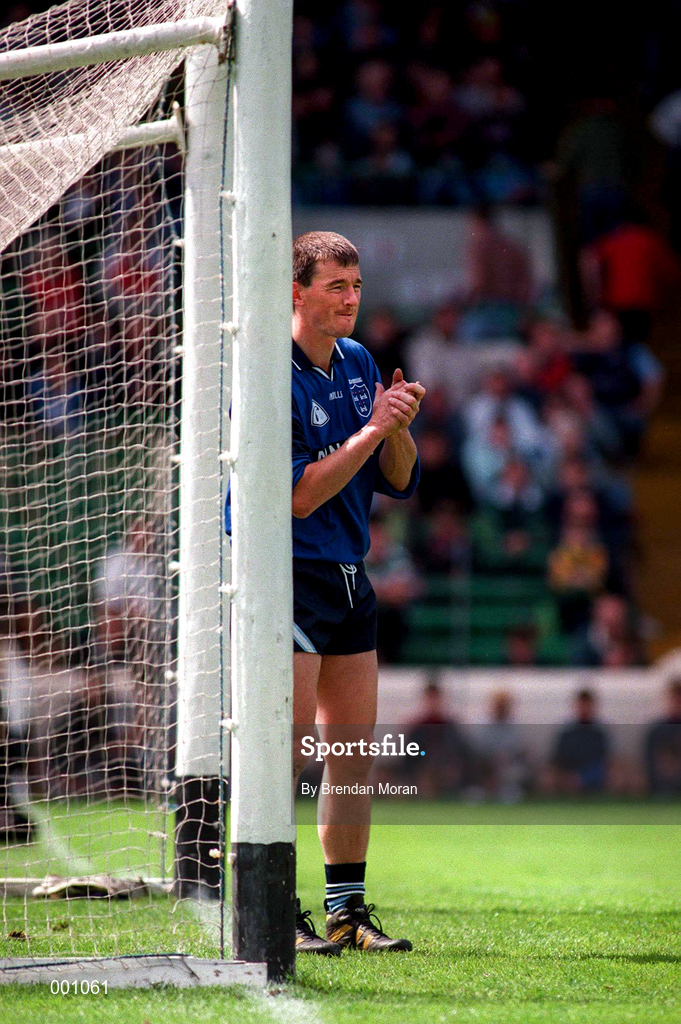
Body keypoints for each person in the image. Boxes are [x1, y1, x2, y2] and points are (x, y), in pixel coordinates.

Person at [289, 232, 424, 954]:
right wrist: (373, 429)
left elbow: (399, 479)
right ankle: (271, 901)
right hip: (287, 577)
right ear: (295, 293)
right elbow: (302, 496)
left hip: (347, 576)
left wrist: (394, 424)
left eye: (356, 285)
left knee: (350, 754)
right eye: (335, 285)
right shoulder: (270, 372)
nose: (350, 298)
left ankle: (347, 911)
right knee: (285, 751)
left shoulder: (360, 363)